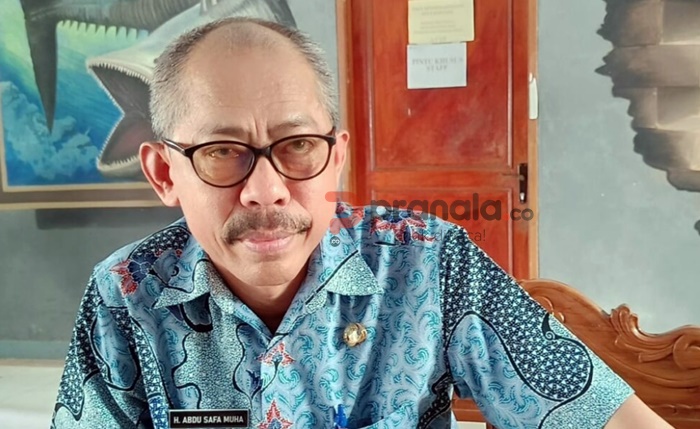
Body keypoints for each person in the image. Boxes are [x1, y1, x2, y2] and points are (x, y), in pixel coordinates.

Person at [50, 17, 673, 429]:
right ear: (164, 173)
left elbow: (607, 419)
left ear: (336, 157)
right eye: (221, 152)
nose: (265, 191)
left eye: (298, 145)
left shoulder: (432, 264)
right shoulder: (124, 296)